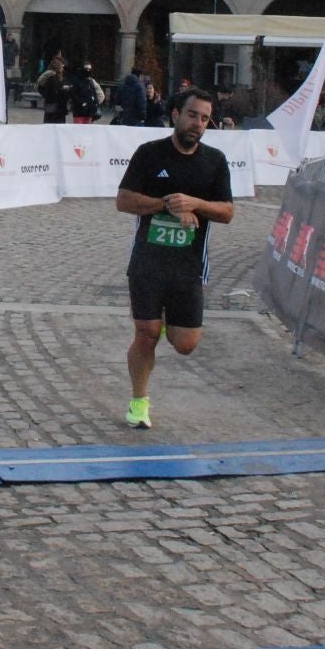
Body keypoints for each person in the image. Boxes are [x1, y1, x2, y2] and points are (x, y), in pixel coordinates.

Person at [114, 87, 234, 429]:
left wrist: (194, 204)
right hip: (148, 262)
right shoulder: (149, 154)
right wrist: (167, 203)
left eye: (205, 118)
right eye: (193, 115)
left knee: (185, 344)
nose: (198, 123)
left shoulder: (214, 161)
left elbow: (227, 212)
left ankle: (168, 319)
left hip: (188, 266)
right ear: (176, 115)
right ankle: (139, 402)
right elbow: (123, 201)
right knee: (146, 333)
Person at [37, 57, 68, 125]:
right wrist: (64, 90)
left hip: (50, 107)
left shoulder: (48, 76)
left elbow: (41, 89)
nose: (63, 67)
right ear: (58, 66)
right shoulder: (53, 78)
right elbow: (55, 91)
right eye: (62, 65)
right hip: (57, 109)